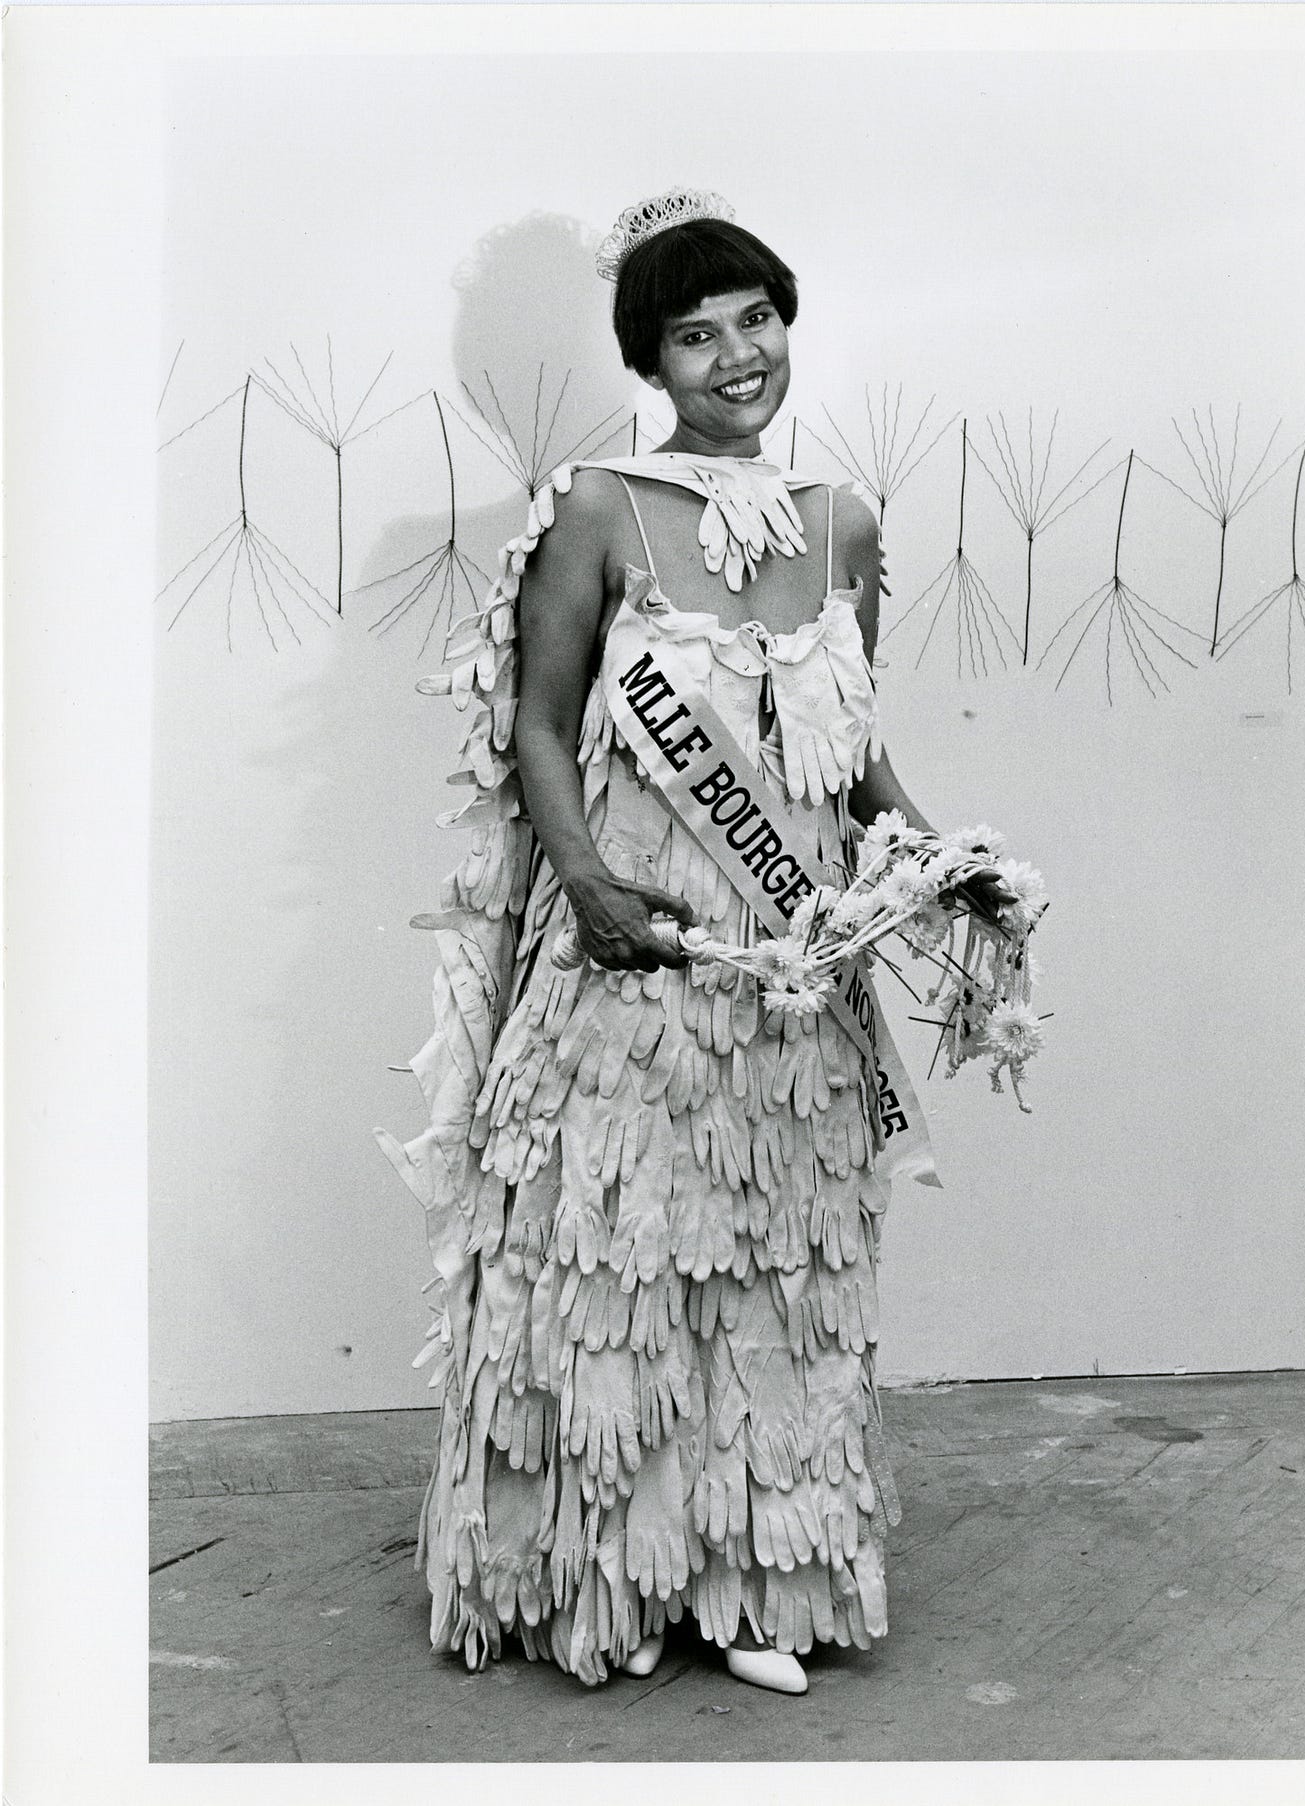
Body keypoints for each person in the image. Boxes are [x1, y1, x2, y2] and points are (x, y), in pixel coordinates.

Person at [378, 188, 1013, 1696]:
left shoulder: (845, 519)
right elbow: (536, 721)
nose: (738, 353)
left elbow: (851, 757)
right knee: (613, 1256)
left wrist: (942, 862)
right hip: (637, 953)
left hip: (792, 979)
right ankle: (605, 1584)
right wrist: (588, 882)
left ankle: (752, 1583)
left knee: (775, 1270)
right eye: (696, 331)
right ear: (650, 361)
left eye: (756, 319)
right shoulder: (598, 508)